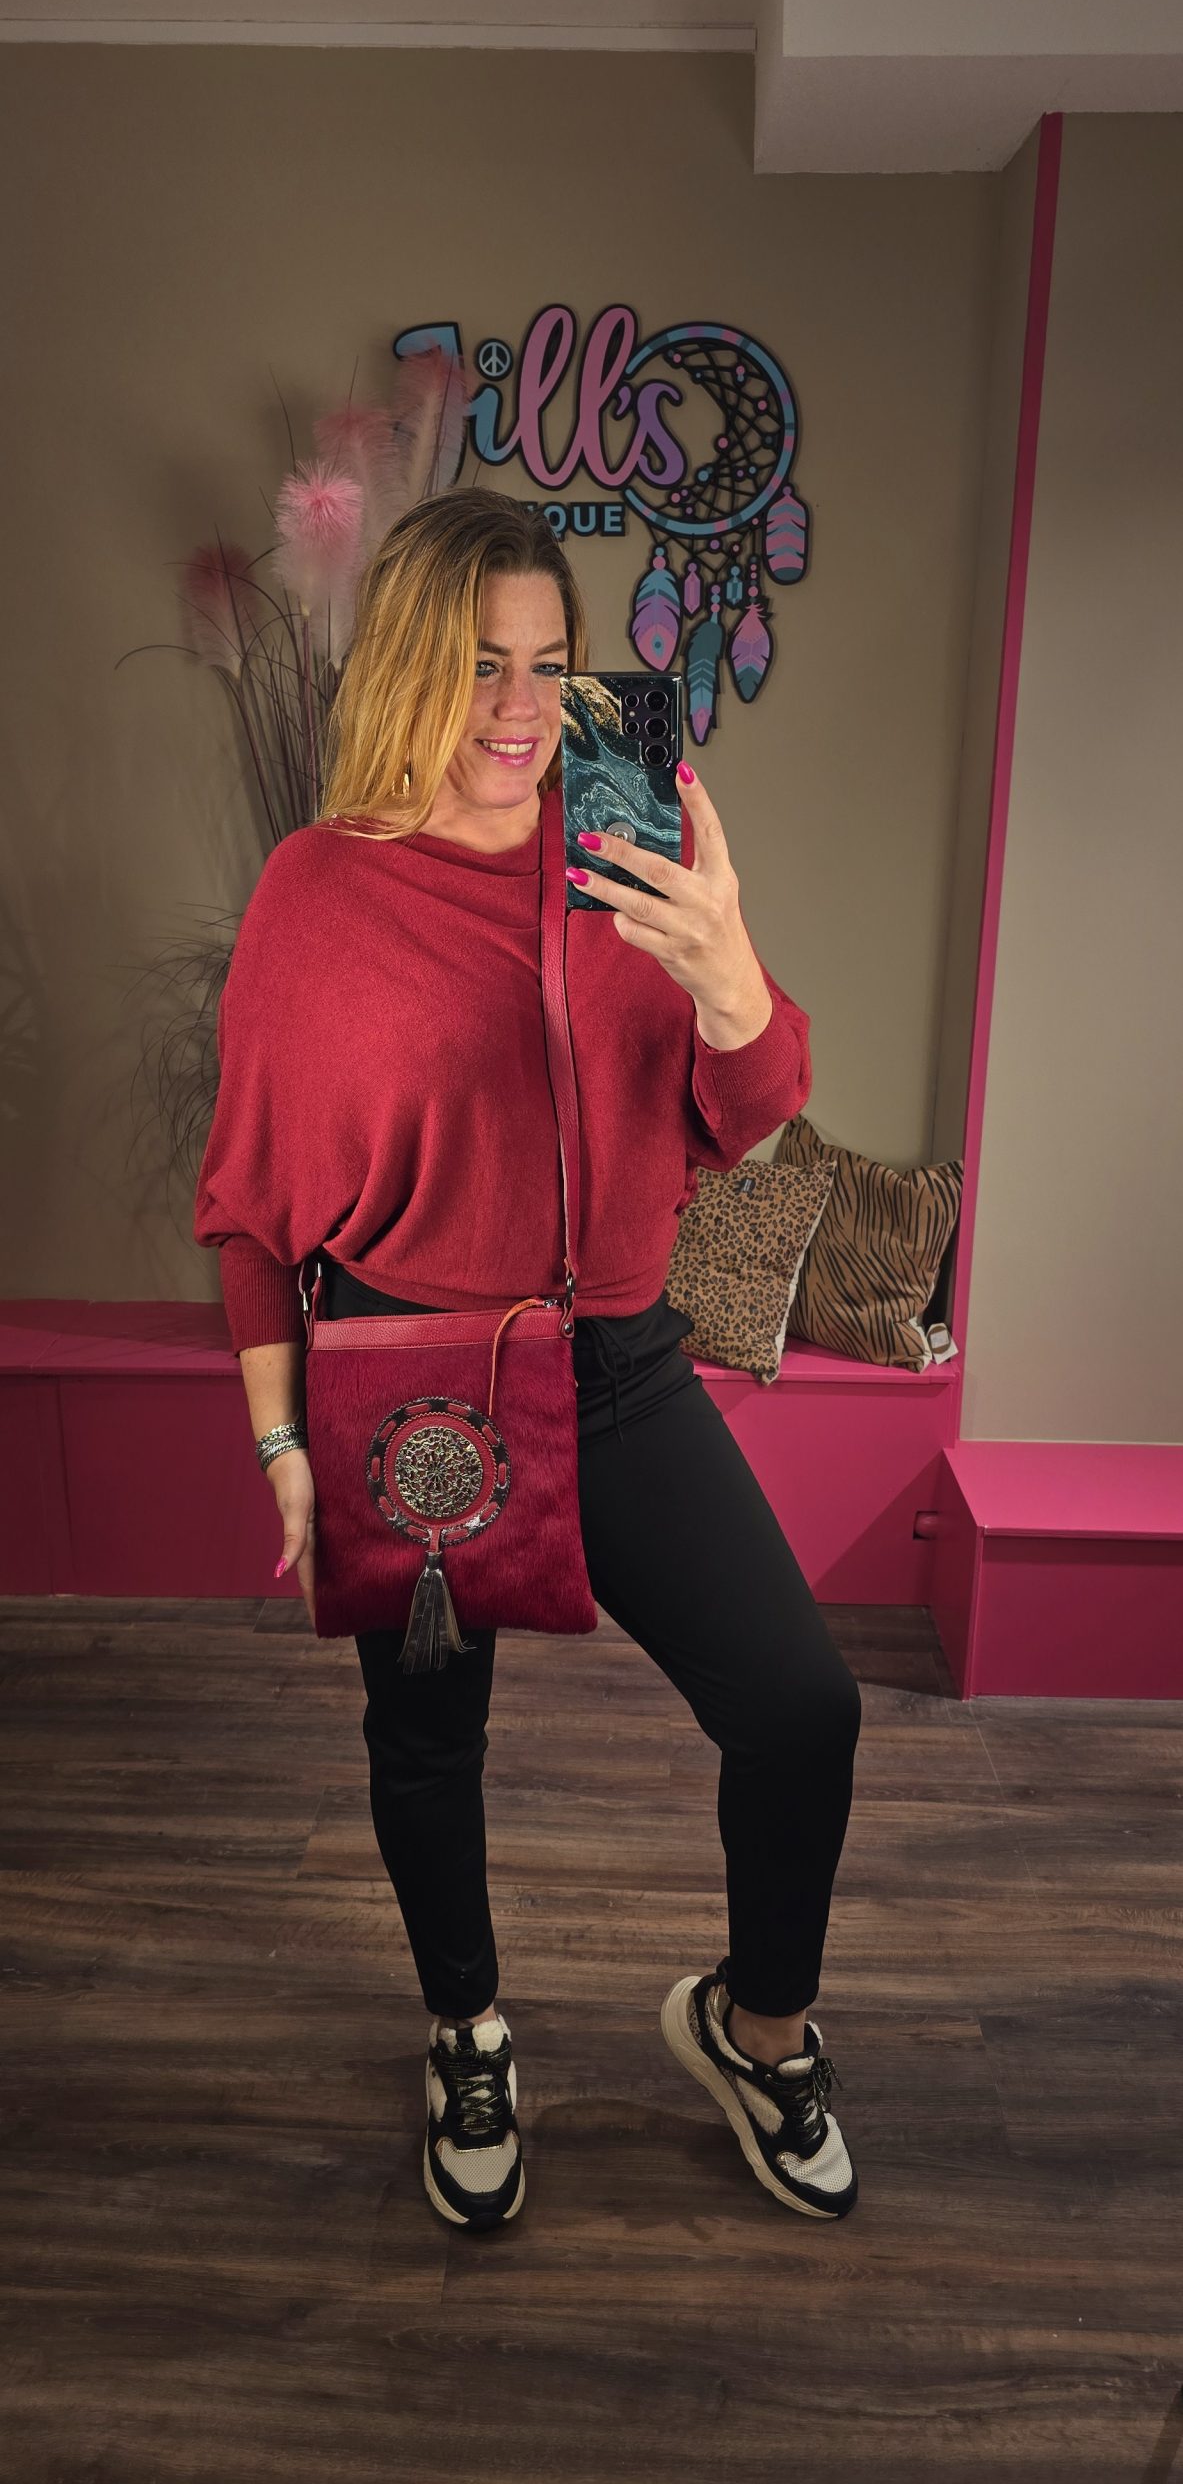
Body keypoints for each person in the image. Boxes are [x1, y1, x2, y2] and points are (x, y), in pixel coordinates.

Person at [193, 487, 863, 2234]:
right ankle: (466, 2031)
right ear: (408, 670)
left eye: (550, 664)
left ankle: (758, 2030)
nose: (518, 708)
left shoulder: (627, 841)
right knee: (428, 1744)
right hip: (408, 1381)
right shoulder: (319, 891)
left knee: (801, 1708)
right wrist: (281, 1447)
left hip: (618, 1365)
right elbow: (252, 1211)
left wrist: (727, 970)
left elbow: (754, 1111)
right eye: (480, 665)